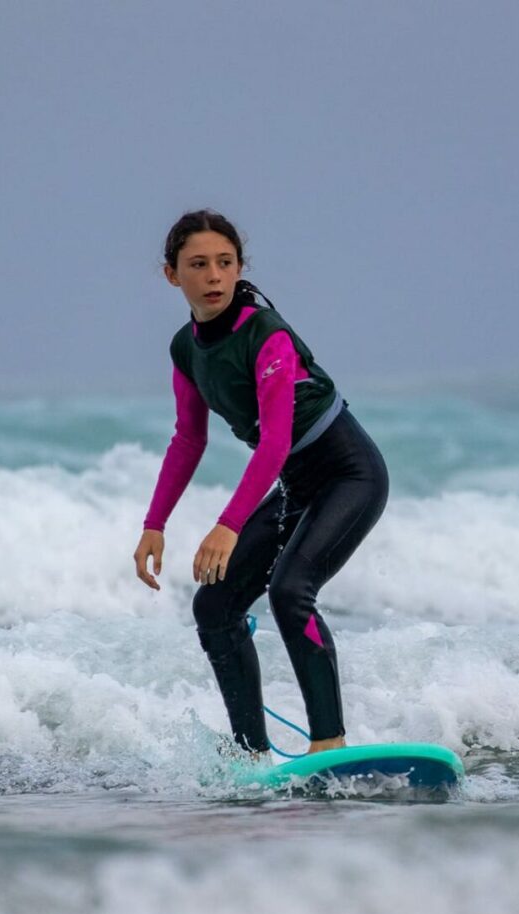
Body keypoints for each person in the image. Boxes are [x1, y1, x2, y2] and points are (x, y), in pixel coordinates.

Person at [132, 209, 389, 757]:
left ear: (240, 267)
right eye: (198, 265)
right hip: (298, 486)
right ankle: (251, 754)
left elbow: (273, 441)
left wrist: (227, 526)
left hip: (349, 475)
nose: (214, 276)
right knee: (214, 606)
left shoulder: (265, 333)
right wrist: (155, 524)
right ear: (172, 275)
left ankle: (329, 743)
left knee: (290, 592)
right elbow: (188, 440)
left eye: (225, 263)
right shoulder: (185, 348)